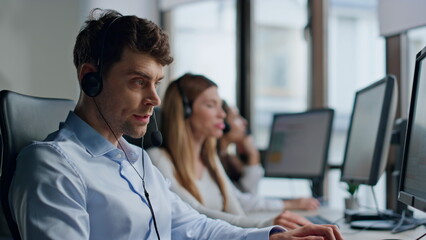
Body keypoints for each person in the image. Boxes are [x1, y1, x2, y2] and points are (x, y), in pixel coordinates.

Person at [9, 9, 343, 240]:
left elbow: (195, 227)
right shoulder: (53, 166)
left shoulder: (138, 162)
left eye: (157, 82)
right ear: (90, 78)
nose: (154, 99)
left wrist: (272, 236)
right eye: (139, 81)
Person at [148, 73, 317, 230]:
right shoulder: (158, 160)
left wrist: (270, 230)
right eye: (210, 105)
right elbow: (196, 214)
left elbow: (235, 206)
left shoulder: (210, 160)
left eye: (220, 106)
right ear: (185, 111)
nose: (222, 114)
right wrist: (265, 226)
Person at [218, 100, 320, 210]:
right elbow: (241, 201)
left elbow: (247, 194)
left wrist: (253, 154)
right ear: (224, 125)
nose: (244, 122)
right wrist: (290, 204)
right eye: (236, 118)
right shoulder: (214, 159)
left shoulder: (228, 157)